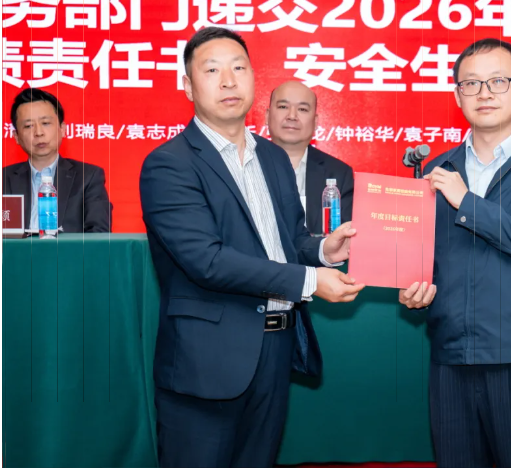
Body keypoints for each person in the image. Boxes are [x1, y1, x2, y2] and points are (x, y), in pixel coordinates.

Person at [139, 27, 364, 468]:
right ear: (188, 86)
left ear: (253, 79)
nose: (228, 80)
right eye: (212, 70)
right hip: (207, 361)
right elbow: (207, 261)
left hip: (275, 352)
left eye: (238, 68)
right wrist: (310, 280)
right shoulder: (169, 164)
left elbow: (289, 241)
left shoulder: (273, 157)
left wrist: (324, 252)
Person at [399, 38, 511, 468]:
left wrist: (466, 202)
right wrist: (412, 290)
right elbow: (425, 258)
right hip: (451, 356)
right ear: (457, 95)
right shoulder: (437, 171)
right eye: (471, 83)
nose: (484, 93)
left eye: (498, 81)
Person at [3, 88, 112, 233]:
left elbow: (99, 234)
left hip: (68, 249)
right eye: (28, 126)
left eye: (46, 123)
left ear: (62, 129)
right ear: (16, 136)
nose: (39, 133)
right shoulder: (3, 179)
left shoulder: (88, 177)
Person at [267, 80, 354, 234]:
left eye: (302, 109)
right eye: (283, 107)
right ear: (267, 115)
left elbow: (344, 237)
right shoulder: (244, 164)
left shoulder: (339, 174)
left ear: (315, 121)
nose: (292, 116)